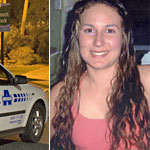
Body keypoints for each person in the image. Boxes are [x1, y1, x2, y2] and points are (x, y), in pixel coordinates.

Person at [50, 0, 150, 149]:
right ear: (77, 37)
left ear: (123, 38)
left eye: (109, 31)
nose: (98, 42)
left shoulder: (145, 81)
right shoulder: (61, 93)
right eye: (89, 30)